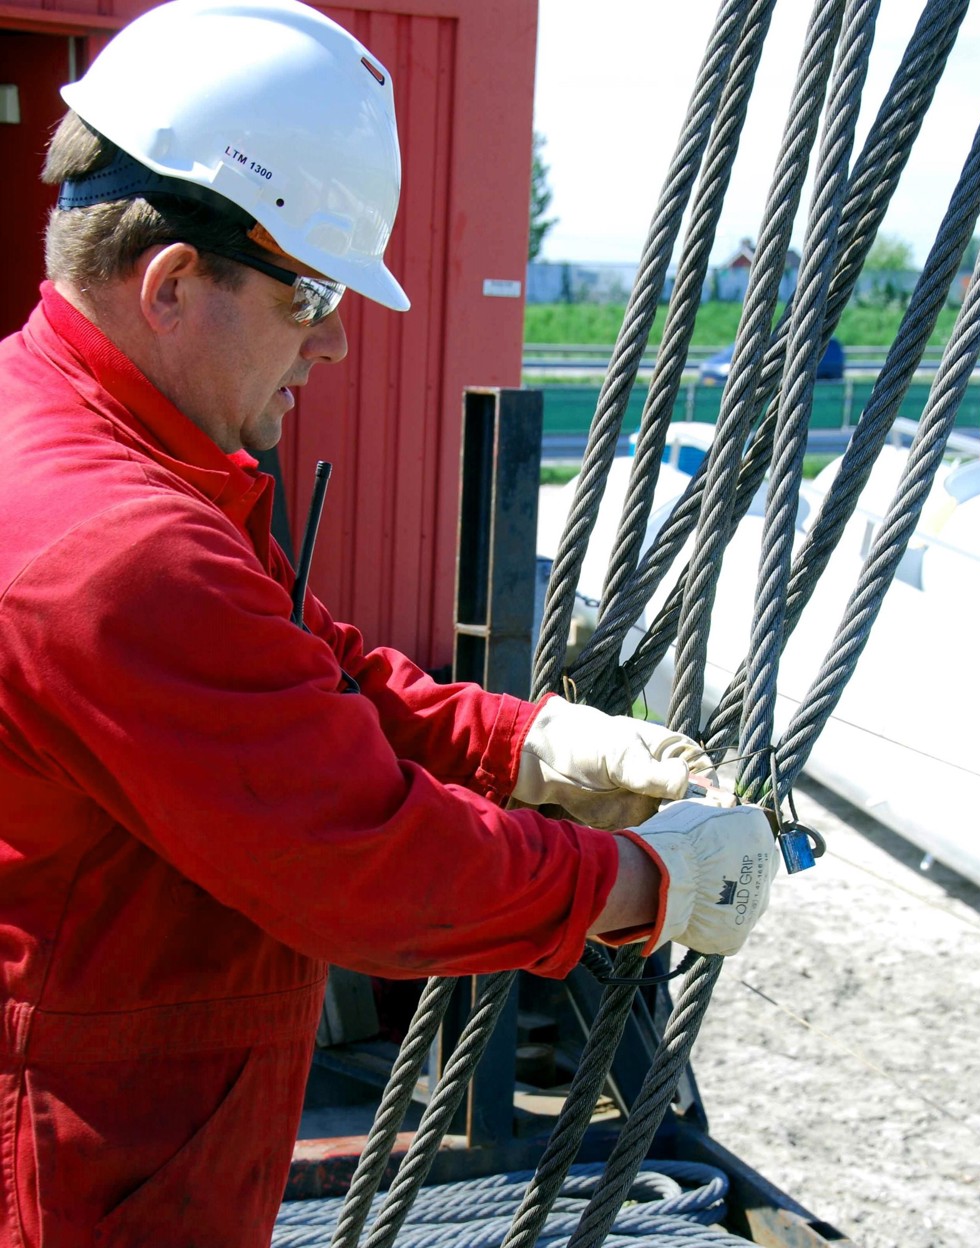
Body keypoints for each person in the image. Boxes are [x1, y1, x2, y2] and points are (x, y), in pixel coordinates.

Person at [0, 1, 779, 1243]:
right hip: (89, 1175)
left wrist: (527, 744)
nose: (339, 340)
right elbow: (368, 867)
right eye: (310, 293)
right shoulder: (115, 544)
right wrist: (646, 882)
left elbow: (318, 677)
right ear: (171, 282)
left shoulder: (108, 454)